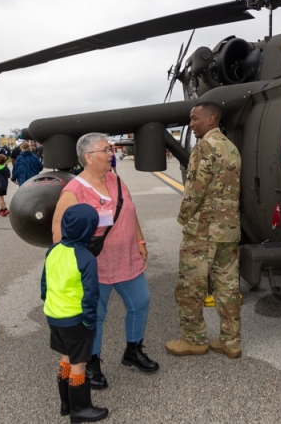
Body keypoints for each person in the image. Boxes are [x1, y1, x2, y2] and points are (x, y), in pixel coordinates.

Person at [52, 132, 157, 391]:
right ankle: (92, 364)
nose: (111, 153)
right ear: (88, 157)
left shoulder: (116, 180)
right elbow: (58, 232)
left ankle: (133, 350)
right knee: (95, 317)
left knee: (140, 302)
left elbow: (130, 212)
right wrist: (71, 266)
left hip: (127, 259)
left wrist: (140, 241)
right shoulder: (74, 190)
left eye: (110, 149)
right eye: (105, 150)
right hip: (95, 267)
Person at [166, 102, 242, 359]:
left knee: (191, 287)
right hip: (229, 230)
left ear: (211, 119)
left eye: (195, 119)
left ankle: (194, 340)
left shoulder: (204, 147)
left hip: (203, 230)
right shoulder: (231, 148)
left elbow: (196, 188)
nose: (191, 124)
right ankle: (231, 341)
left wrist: (184, 218)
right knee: (228, 286)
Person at [42, 204, 108, 422]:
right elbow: (91, 295)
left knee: (66, 357)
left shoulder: (53, 250)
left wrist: (48, 302)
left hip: (54, 316)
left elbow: (45, 282)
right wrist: (90, 321)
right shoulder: (86, 257)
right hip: (75, 319)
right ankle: (80, 410)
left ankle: (65, 403)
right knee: (79, 363)